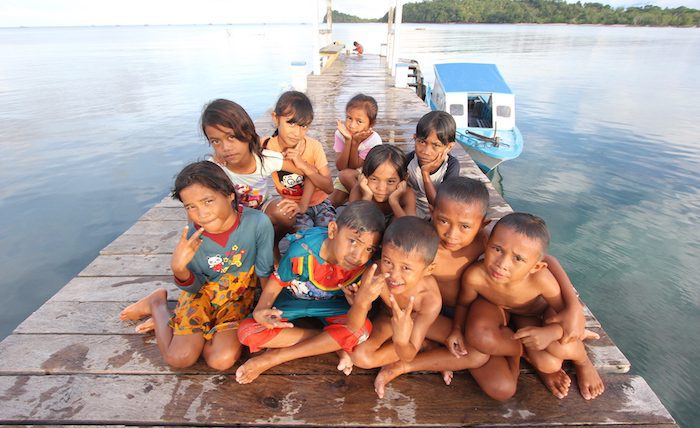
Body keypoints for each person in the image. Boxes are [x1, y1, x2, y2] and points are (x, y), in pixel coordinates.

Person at [373, 180, 592, 398]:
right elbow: (388, 259)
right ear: (432, 213)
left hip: (481, 309)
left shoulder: (485, 241)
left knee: (520, 374)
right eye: (443, 221)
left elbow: (545, 261)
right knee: (502, 387)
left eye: (465, 226)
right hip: (437, 316)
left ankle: (546, 359)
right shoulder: (421, 244)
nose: (452, 234)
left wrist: (574, 306)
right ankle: (531, 356)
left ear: (481, 224)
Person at [119, 161, 274, 370]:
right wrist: (179, 270)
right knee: (179, 358)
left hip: (238, 297)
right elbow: (194, 287)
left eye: (208, 201)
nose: (201, 213)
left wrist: (265, 309)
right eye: (191, 207)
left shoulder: (258, 223)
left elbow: (264, 270)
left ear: (229, 194)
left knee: (221, 360)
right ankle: (157, 304)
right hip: (202, 294)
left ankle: (188, 329)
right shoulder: (193, 236)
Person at [234, 200, 386, 384]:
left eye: (368, 249)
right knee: (248, 332)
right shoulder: (302, 251)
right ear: (332, 231)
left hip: (333, 308)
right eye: (353, 241)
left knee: (361, 332)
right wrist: (261, 311)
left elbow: (356, 324)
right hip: (291, 301)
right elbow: (276, 283)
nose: (357, 255)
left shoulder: (365, 268)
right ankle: (328, 342)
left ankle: (275, 357)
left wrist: (360, 303)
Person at [457, 213, 604, 400]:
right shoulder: (475, 276)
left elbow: (564, 313)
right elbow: (463, 305)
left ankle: (583, 361)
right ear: (486, 244)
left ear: (536, 267)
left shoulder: (541, 280)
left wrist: (552, 333)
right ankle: (530, 355)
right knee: (543, 362)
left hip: (539, 314)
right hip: (500, 309)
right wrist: (456, 329)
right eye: (497, 249)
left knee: (552, 359)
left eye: (518, 258)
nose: (502, 264)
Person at [348, 216, 489, 398]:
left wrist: (401, 341)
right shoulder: (375, 275)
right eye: (388, 262)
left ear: (428, 270)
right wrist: (361, 303)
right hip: (390, 320)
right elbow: (353, 327)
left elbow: (408, 352)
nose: (393, 275)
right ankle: (427, 345)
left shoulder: (429, 299)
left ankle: (401, 367)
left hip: (422, 325)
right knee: (360, 357)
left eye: (406, 268)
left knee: (477, 354)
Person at [201, 98, 319, 218]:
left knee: (283, 213)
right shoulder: (213, 169)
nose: (225, 147)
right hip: (232, 218)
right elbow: (195, 200)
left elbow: (310, 173)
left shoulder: (265, 159)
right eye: (216, 141)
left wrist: (303, 205)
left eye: (231, 137)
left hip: (263, 208)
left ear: (247, 133)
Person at [262, 91, 335, 250]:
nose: (297, 133)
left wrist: (303, 165)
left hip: (321, 203)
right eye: (291, 123)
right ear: (276, 118)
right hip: (292, 206)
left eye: (304, 126)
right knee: (303, 242)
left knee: (331, 237)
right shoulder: (267, 147)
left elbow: (329, 187)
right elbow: (244, 149)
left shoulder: (314, 146)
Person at [329, 93, 382, 207]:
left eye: (359, 121)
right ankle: (353, 196)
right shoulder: (340, 134)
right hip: (349, 175)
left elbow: (354, 166)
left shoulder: (373, 140)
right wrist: (348, 141)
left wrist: (355, 143)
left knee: (345, 175)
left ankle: (366, 204)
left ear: (371, 123)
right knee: (331, 203)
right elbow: (340, 167)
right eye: (349, 118)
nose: (352, 125)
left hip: (368, 176)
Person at [406, 111, 461, 220]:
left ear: (449, 147)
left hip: (439, 214)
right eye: (422, 142)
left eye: (436, 145)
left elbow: (439, 205)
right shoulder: (408, 160)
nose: (426, 151)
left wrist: (425, 173)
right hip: (412, 209)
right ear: (415, 138)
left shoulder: (451, 166)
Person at [349, 144, 416, 224]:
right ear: (364, 176)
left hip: (395, 229)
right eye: (374, 179)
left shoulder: (407, 195)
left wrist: (394, 202)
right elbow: (354, 224)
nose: (381, 188)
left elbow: (409, 228)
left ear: (404, 179)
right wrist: (366, 198)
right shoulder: (358, 191)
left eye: (390, 181)